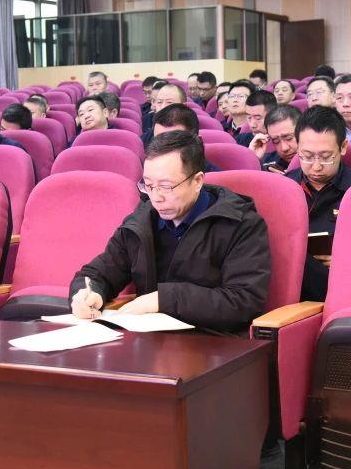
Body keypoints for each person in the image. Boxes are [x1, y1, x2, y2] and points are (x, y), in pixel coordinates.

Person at [61, 131, 271, 335]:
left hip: (213, 341)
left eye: (166, 186)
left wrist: (164, 299)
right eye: (149, 186)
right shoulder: (142, 221)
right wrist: (88, 292)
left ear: (197, 181)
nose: (156, 197)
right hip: (147, 339)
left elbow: (243, 301)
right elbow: (97, 273)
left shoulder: (240, 223)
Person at [286, 107, 351, 301]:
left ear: (343, 147)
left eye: (326, 157)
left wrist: (349, 260)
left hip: (343, 287)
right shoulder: (283, 189)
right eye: (307, 156)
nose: (316, 166)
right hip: (288, 285)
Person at [148, 104, 221, 172]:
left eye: (173, 142)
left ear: (197, 141)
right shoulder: (151, 172)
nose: (163, 148)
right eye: (158, 141)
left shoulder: (214, 178)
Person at [253, 104, 301, 171]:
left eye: (289, 138)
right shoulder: (266, 164)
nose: (284, 148)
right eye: (276, 141)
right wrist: (254, 159)